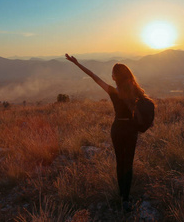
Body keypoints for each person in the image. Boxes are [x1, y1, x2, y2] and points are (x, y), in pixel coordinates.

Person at [65, 53, 152, 208]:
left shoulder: (113, 91)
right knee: (128, 163)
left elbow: (93, 76)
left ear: (114, 77)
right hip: (130, 129)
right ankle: (126, 197)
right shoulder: (135, 91)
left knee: (120, 162)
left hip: (117, 128)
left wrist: (77, 64)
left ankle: (121, 196)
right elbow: (147, 105)